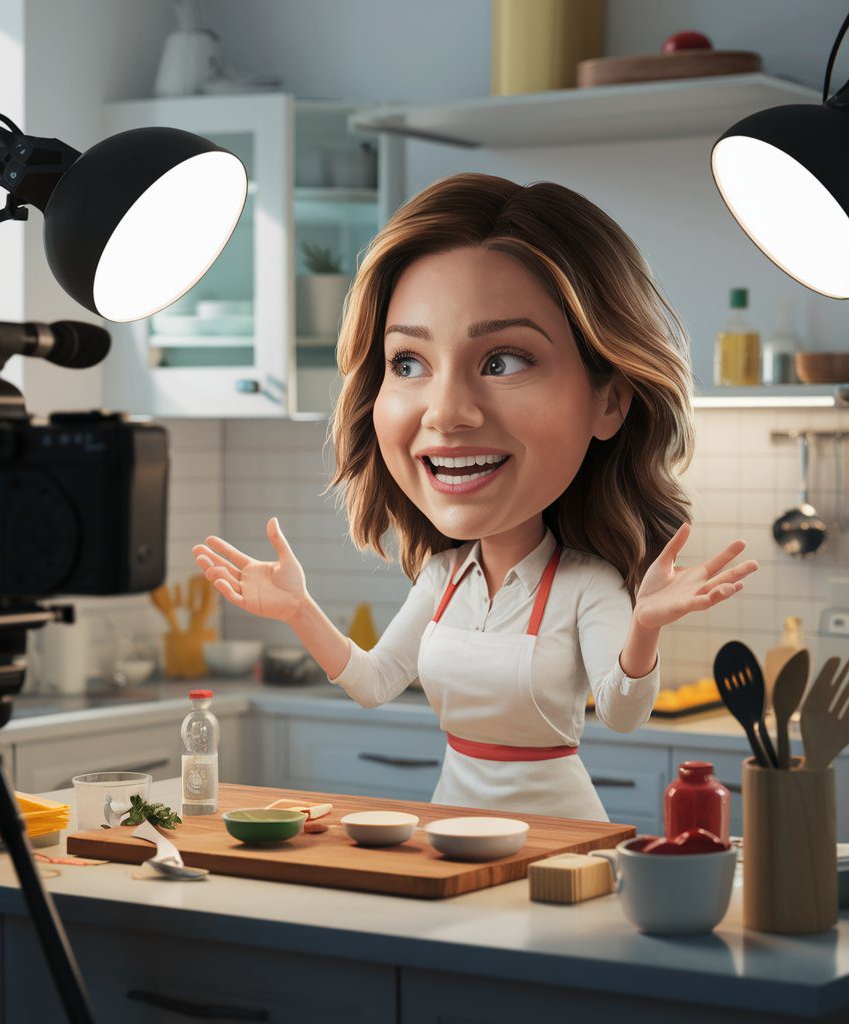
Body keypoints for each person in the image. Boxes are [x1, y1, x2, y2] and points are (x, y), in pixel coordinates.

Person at [193, 173, 757, 820]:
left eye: (503, 361)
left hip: (559, 833)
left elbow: (625, 713)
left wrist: (647, 625)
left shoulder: (587, 586)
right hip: (452, 824)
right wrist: (298, 611)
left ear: (610, 399)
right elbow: (375, 684)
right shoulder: (443, 579)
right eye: (408, 364)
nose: (447, 413)